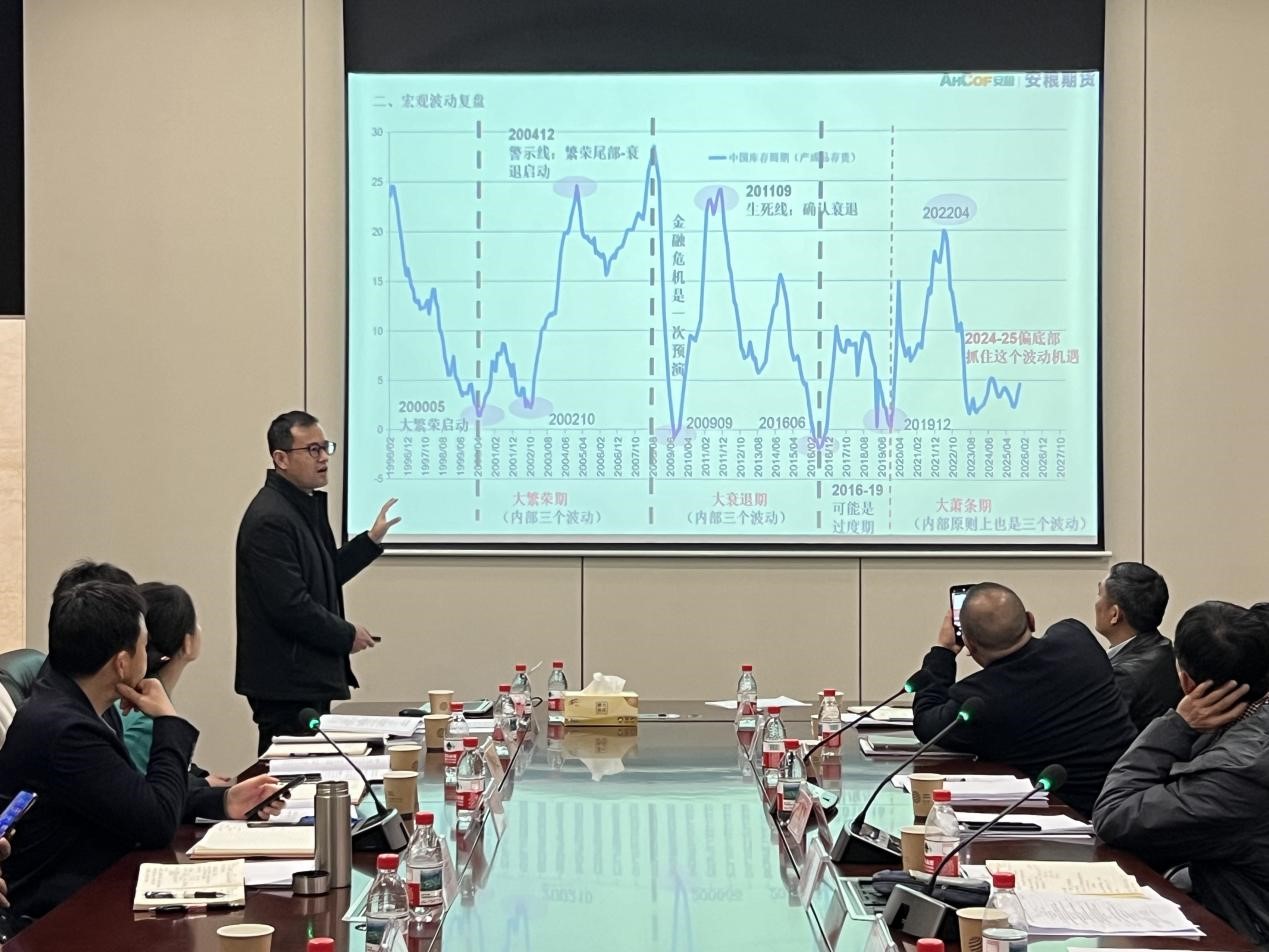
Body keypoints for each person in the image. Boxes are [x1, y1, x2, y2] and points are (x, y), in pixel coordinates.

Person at [0, 581, 283, 921]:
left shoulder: (77, 706)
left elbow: (130, 796)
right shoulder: (66, 730)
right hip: (57, 915)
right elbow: (156, 821)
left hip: (93, 891)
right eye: (145, 646)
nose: (149, 656)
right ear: (122, 663)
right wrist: (167, 720)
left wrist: (222, 801)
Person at [1093, 601, 1269, 946]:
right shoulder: (1250, 720)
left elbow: (1115, 815)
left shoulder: (1240, 771)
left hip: (1243, 931)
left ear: (1186, 681)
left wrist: (1178, 724)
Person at [236, 410, 400, 754]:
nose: (324, 457)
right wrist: (345, 634)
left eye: (326, 447)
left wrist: (369, 541)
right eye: (312, 450)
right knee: (290, 772)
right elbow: (289, 605)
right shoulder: (271, 519)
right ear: (281, 458)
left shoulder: (301, 508)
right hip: (286, 683)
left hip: (305, 679)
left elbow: (324, 575)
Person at [912, 582, 1137, 817]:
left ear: (970, 645)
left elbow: (926, 721)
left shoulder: (982, 699)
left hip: (1069, 815)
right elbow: (1055, 636)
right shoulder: (1078, 640)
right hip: (1132, 799)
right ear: (1031, 620)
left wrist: (944, 650)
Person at [117, 583, 231, 785]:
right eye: (195, 622)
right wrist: (200, 787)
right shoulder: (147, 720)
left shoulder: (125, 703)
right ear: (187, 643)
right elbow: (152, 792)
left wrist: (198, 780)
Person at [1094, 562, 1182, 731]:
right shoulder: (1166, 648)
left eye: (1099, 594)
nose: (1096, 603)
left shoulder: (1121, 677)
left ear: (1114, 614)